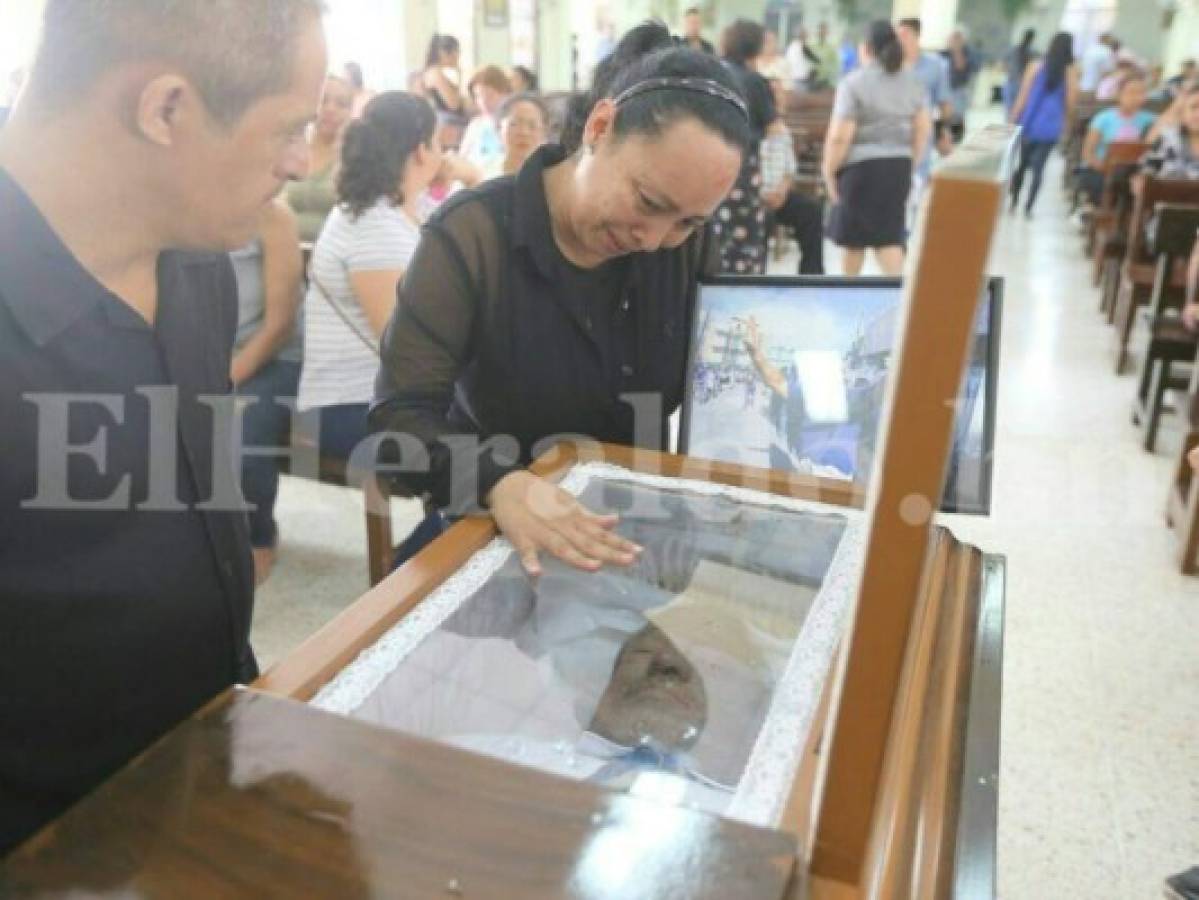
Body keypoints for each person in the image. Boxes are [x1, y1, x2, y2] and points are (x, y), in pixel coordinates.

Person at [0, 0, 325, 854]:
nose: (304, 161)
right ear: (167, 107)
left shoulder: (196, 266)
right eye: (289, 128)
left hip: (205, 775)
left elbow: (200, 519)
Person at [370, 20, 751, 575]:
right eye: (646, 201)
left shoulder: (685, 249)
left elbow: (720, 393)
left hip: (631, 537)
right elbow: (397, 422)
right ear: (600, 126)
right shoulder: (473, 237)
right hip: (496, 533)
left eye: (687, 222)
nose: (653, 241)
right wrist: (497, 480)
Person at [298, 93, 442, 467]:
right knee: (479, 456)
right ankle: (443, 528)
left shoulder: (400, 209)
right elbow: (402, 348)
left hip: (376, 399)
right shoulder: (375, 225)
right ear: (422, 150)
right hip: (350, 406)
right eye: (438, 141)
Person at [230, 202, 305, 585]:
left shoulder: (274, 217)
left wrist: (224, 379)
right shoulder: (183, 211)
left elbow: (280, 326)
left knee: (245, 436)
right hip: (213, 351)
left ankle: (258, 536)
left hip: (274, 356)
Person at [824, 20, 929, 277]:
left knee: (853, 241)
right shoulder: (913, 82)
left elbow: (840, 137)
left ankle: (848, 304)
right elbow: (923, 129)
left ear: (867, 48)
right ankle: (897, 303)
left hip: (861, 170)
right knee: (889, 237)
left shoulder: (854, 83)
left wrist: (829, 171)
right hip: (898, 167)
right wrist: (910, 161)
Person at [714, 19, 776, 275]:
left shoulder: (714, 73)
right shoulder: (754, 81)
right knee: (746, 238)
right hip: (744, 168)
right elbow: (774, 131)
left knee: (716, 232)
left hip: (710, 163)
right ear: (754, 45)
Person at [1009, 32, 1078, 217]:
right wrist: (1068, 124)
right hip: (1051, 125)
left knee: (1022, 165)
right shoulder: (1070, 71)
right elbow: (1071, 102)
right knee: (1039, 168)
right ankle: (1029, 207)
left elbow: (1022, 97)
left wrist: (1013, 118)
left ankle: (1014, 201)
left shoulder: (1035, 66)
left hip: (1030, 122)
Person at [761, 77, 824, 274]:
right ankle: (754, 275)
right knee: (763, 218)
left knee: (811, 210)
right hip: (754, 197)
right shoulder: (752, 125)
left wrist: (782, 190)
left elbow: (790, 168)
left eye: (781, 94)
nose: (780, 98)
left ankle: (812, 275)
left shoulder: (782, 128)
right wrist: (763, 194)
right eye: (775, 94)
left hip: (779, 194)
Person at [283, 73, 354, 243]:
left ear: (351, 110)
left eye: (341, 104)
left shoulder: (354, 158)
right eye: (323, 101)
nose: (330, 109)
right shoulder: (290, 148)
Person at [1077, 72, 1156, 205]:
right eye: (1131, 92)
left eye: (1141, 93)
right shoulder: (1103, 119)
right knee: (1106, 187)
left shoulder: (1150, 119)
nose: (1136, 97)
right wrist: (1106, 169)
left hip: (1132, 171)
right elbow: (1087, 154)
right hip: (1100, 169)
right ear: (1119, 94)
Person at [483, 92, 550, 180]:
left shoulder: (554, 178)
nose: (524, 133)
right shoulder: (484, 173)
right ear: (499, 128)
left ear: (544, 133)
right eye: (514, 124)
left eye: (532, 126)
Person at [459, 66, 513, 171]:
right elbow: (462, 159)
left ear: (505, 94)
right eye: (478, 96)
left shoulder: (515, 124)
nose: (483, 102)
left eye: (490, 95)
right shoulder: (476, 125)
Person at [1140, 87, 1199, 180]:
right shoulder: (1168, 138)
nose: (1198, 114)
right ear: (1182, 114)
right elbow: (1146, 171)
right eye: (1193, 107)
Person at [423, 34, 467, 149]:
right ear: (444, 53)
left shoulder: (436, 72)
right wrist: (460, 76)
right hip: (447, 123)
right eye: (456, 54)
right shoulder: (435, 74)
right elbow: (454, 104)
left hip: (448, 120)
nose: (457, 58)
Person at [941, 26, 979, 143]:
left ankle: (955, 141)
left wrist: (957, 51)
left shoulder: (968, 53)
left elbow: (964, 67)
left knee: (957, 116)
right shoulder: (944, 53)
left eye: (958, 38)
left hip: (960, 89)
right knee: (944, 118)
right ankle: (944, 140)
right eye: (953, 38)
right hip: (945, 90)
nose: (955, 40)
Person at [1004, 28, 1037, 115]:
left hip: (1011, 81)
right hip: (1022, 84)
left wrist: (1010, 71)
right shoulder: (1032, 53)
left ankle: (1009, 126)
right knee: (1019, 111)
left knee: (1008, 110)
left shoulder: (1014, 49)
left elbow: (1004, 63)